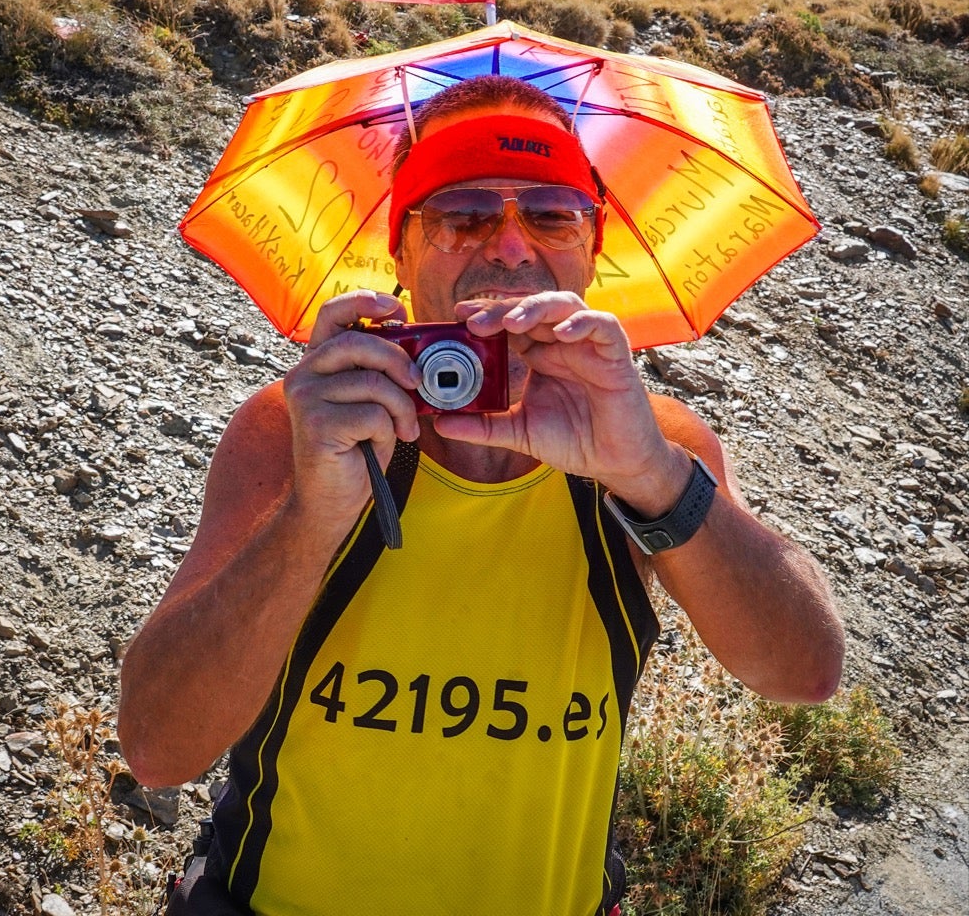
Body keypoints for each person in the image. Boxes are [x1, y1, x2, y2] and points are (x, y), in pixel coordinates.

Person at [119, 76, 845, 916]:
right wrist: (313, 517)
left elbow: (805, 671)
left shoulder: (653, 445)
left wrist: (649, 477)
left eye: (551, 215)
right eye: (462, 217)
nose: (508, 248)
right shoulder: (303, 431)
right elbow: (157, 748)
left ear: (591, 247)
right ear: (400, 253)